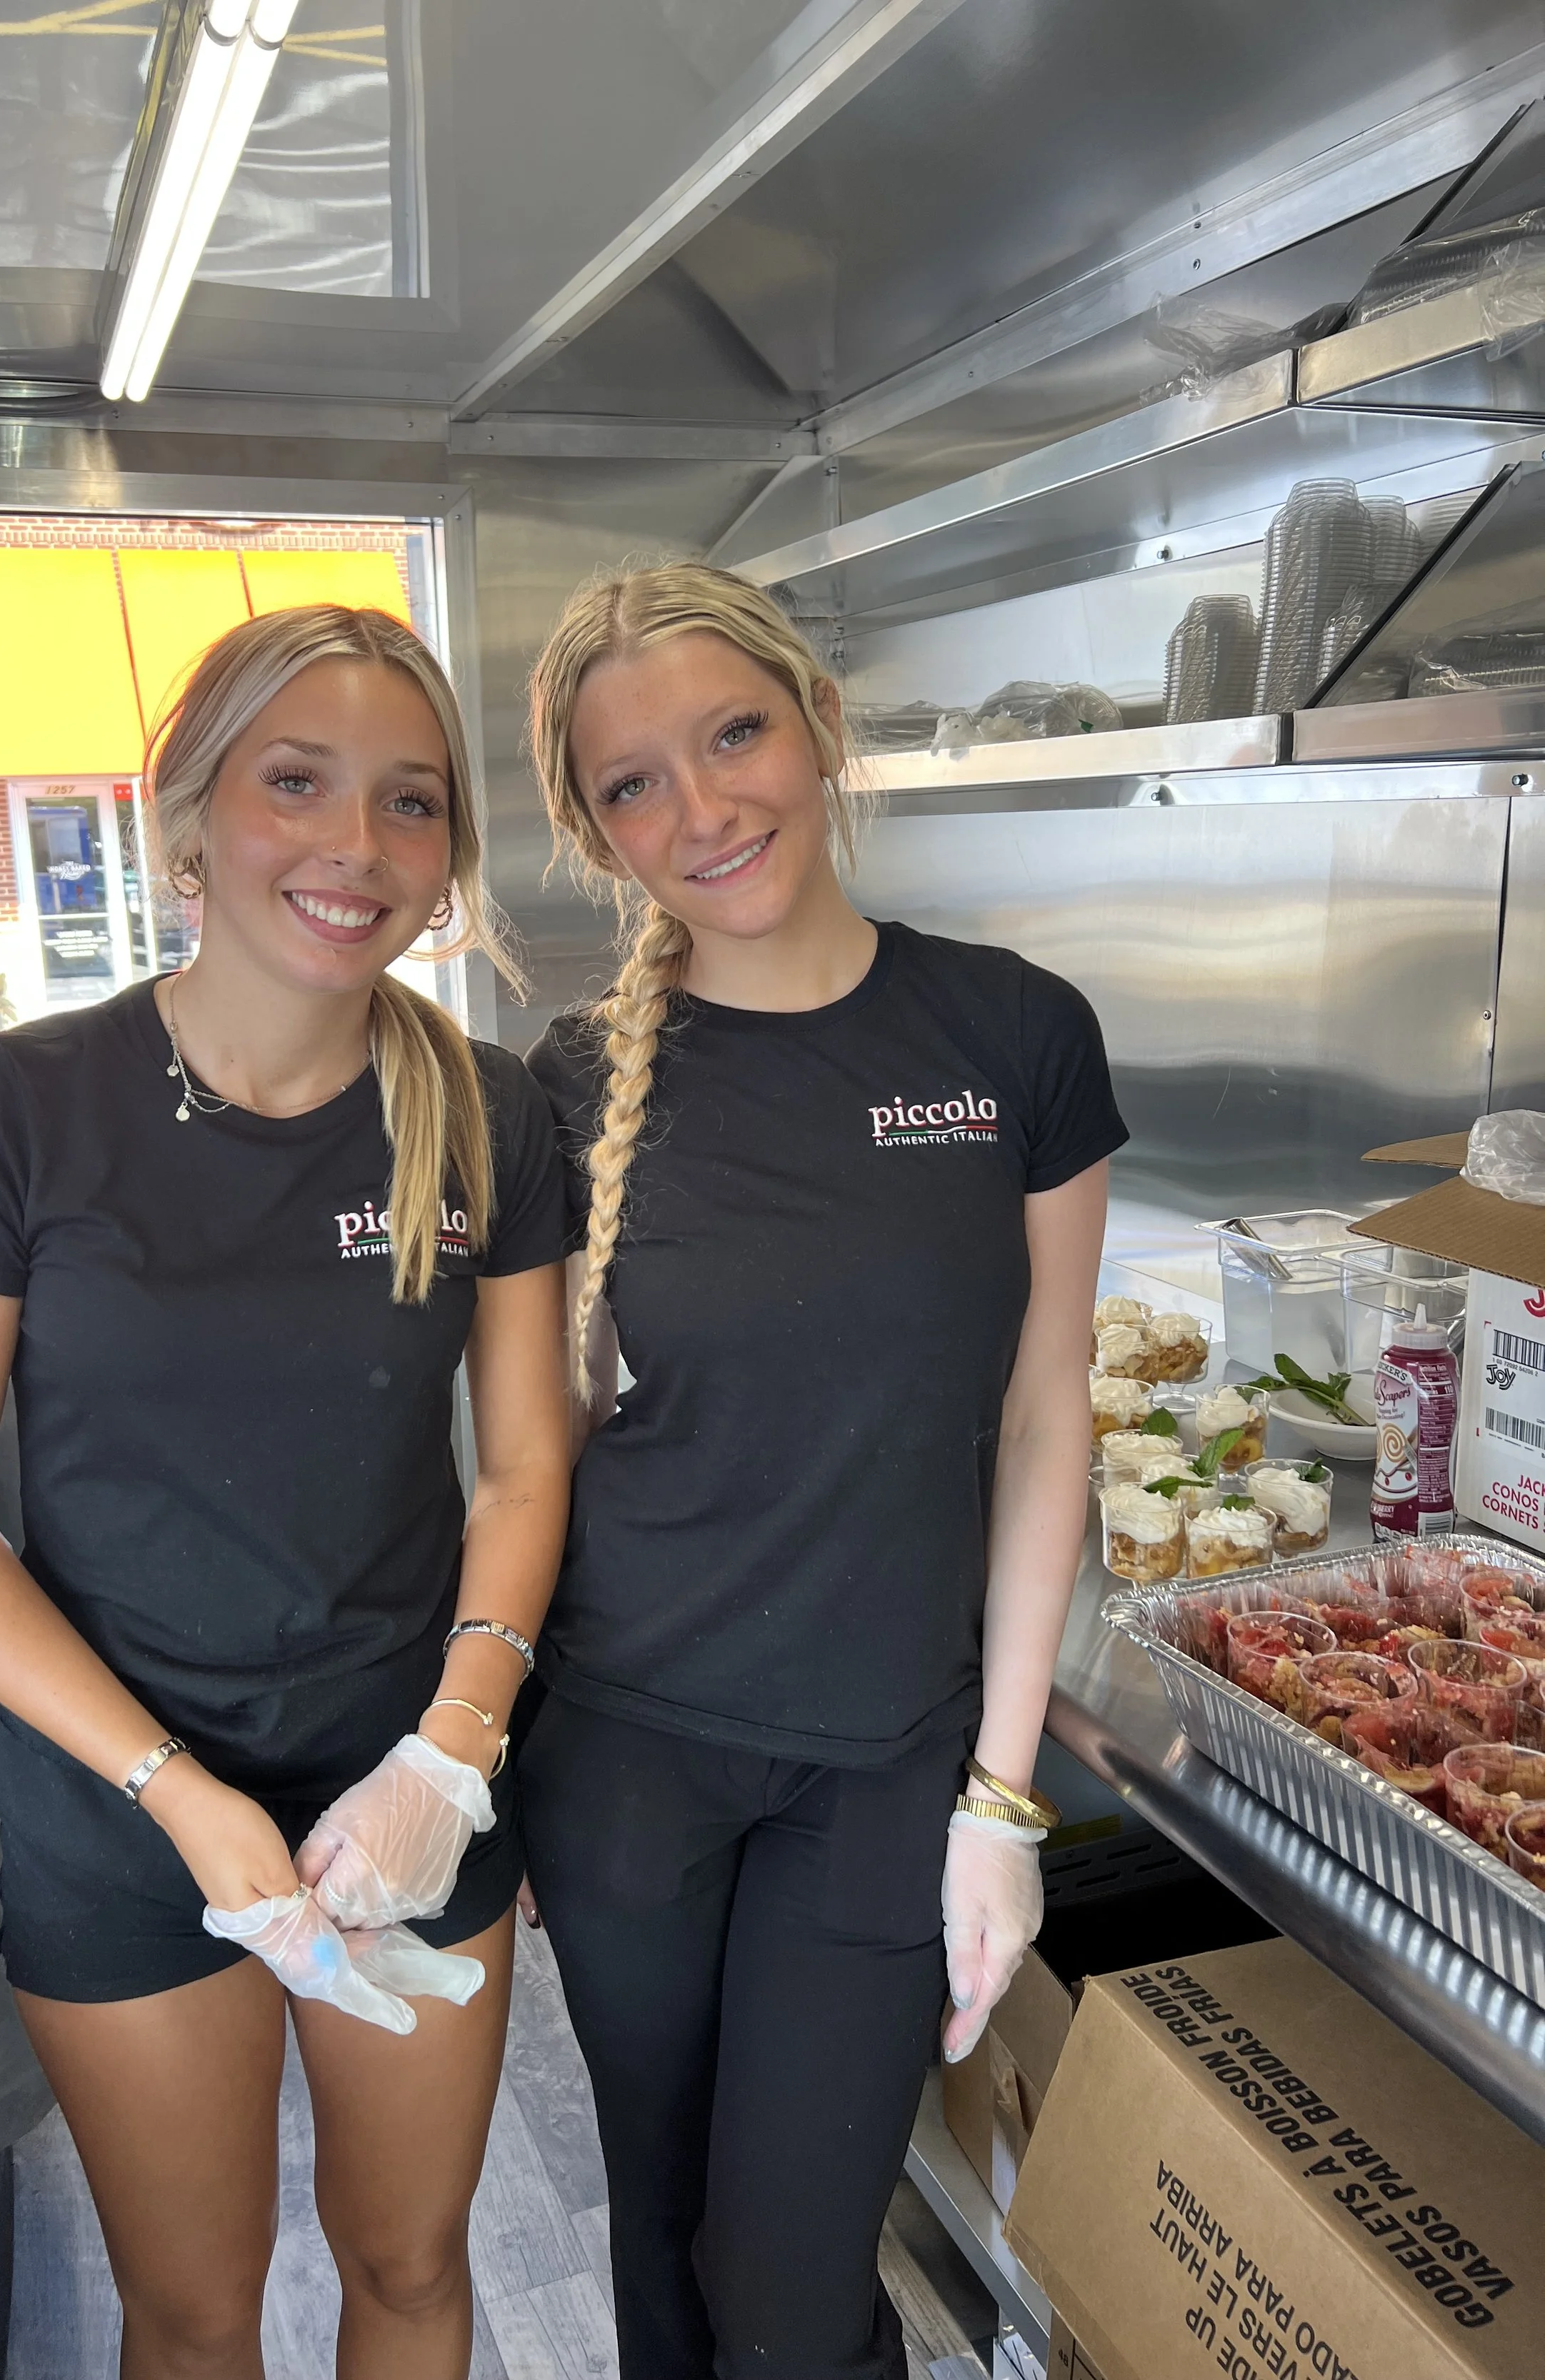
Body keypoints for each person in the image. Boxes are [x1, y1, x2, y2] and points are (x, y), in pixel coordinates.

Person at [0, 606, 570, 2380]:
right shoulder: (10, 1112)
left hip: (401, 1774)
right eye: (295, 782)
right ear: (187, 814)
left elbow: (529, 1461)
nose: (355, 846)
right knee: (191, 2310)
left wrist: (447, 1758)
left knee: (410, 2268)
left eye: (410, 804)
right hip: (111, 1800)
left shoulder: (480, 1114)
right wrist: (181, 1800)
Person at [517, 563, 1124, 2380]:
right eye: (633, 783)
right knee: (660, 2246)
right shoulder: (568, 1082)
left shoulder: (1011, 1036)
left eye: (732, 735)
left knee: (785, 2294)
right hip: (623, 1747)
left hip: (885, 1759)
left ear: (817, 725)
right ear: (594, 829)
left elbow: (1045, 1409)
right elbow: (528, 1443)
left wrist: (1001, 1799)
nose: (700, 809)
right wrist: (484, 1722)